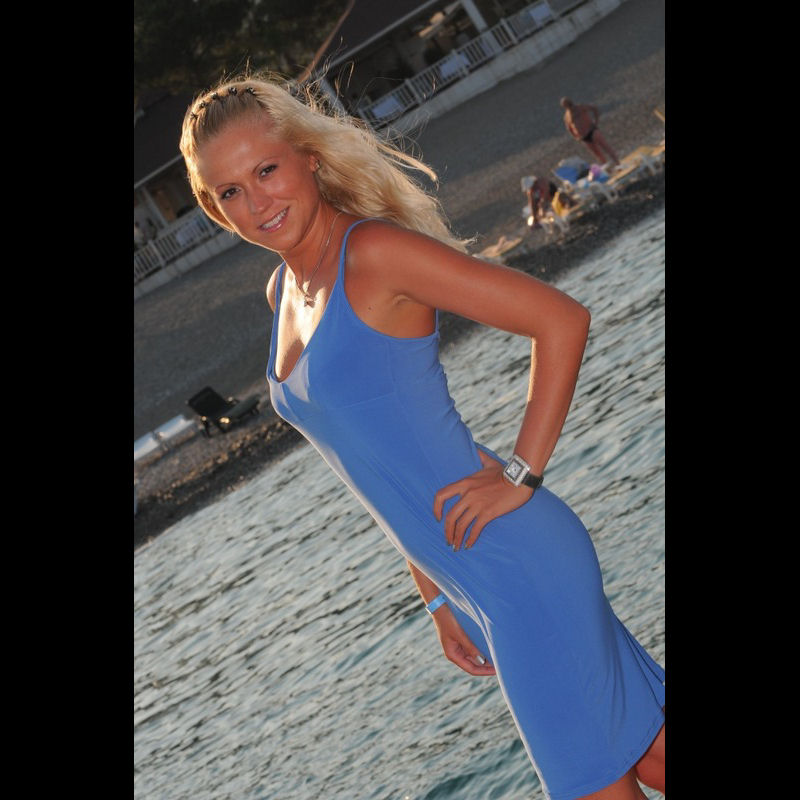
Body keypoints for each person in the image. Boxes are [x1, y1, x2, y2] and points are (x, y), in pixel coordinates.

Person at [180, 74, 665, 800]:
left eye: (267, 170)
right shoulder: (282, 294)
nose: (257, 202)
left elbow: (560, 319)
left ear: (308, 156)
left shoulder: (374, 254)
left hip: (518, 563)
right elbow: (379, 467)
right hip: (470, 576)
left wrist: (521, 474)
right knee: (650, 755)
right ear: (213, 206)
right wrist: (436, 597)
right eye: (230, 192)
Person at [561, 97, 619, 167]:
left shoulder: (580, 107)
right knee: (597, 153)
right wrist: (576, 137)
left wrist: (596, 122)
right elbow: (569, 128)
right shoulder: (567, 116)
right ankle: (607, 166)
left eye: (568, 103)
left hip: (591, 130)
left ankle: (618, 163)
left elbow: (594, 108)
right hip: (583, 137)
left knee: (606, 147)